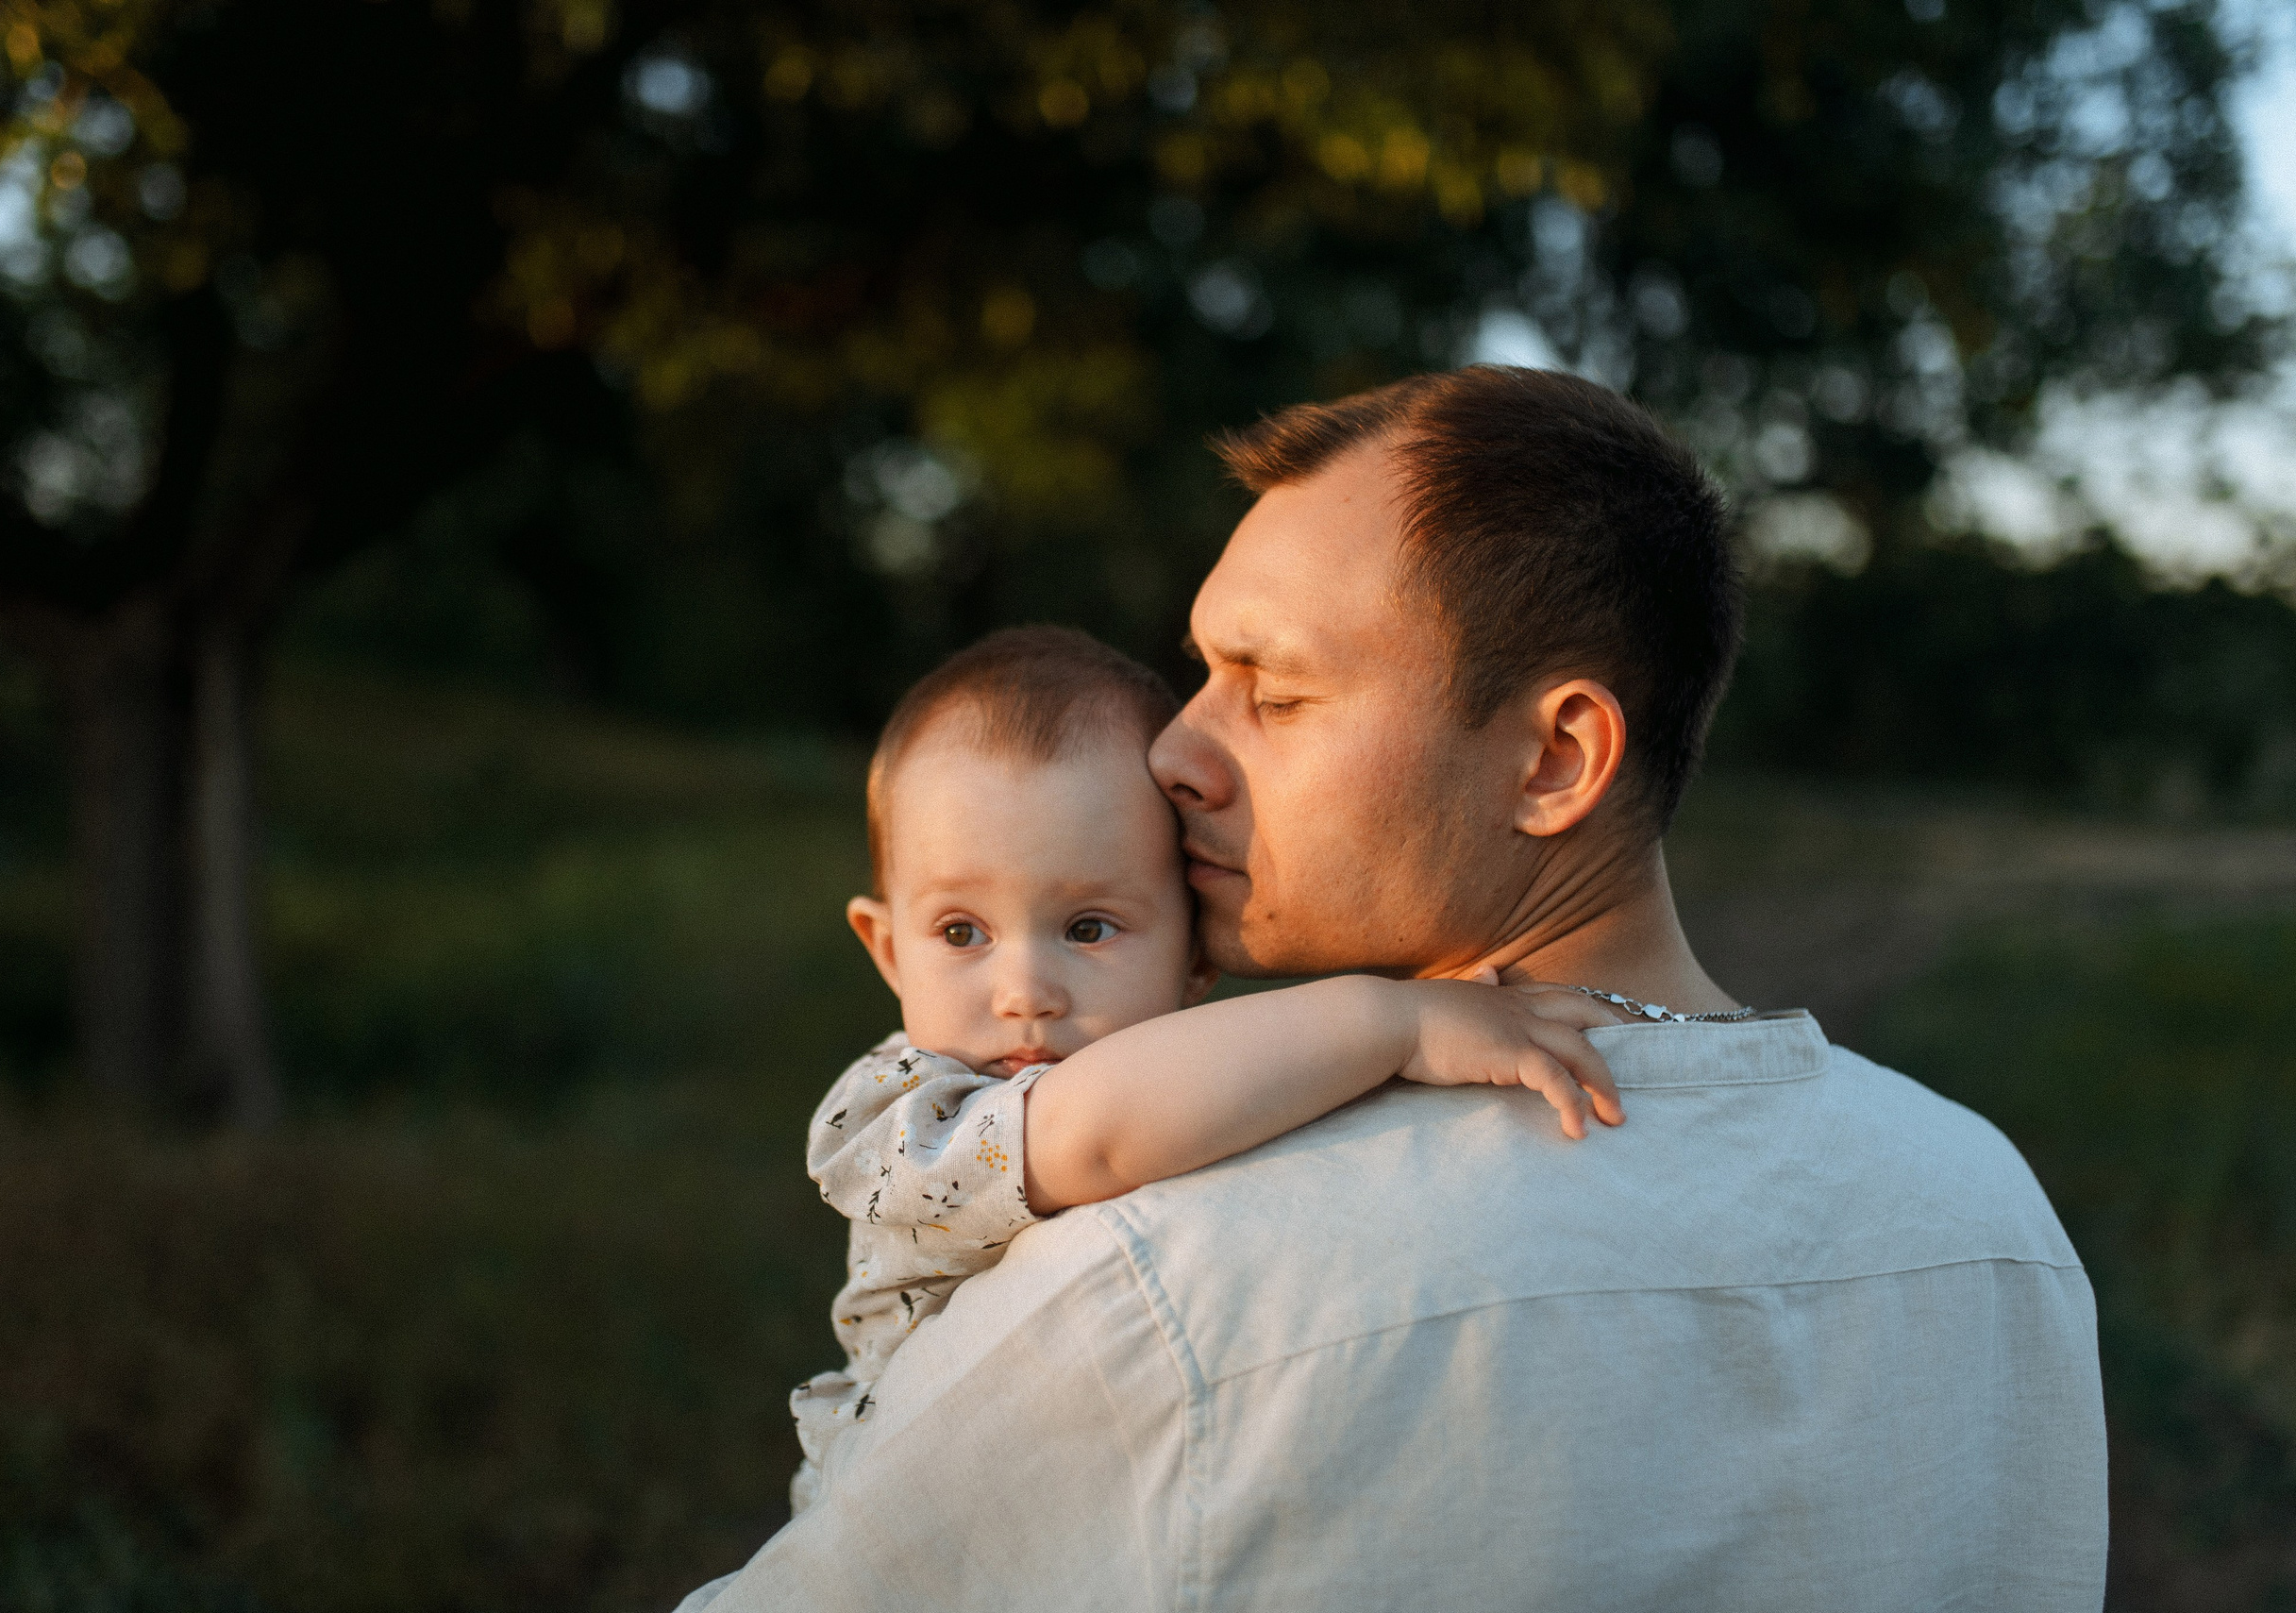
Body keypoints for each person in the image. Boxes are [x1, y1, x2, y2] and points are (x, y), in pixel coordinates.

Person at [678, 366, 2107, 1611]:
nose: (1174, 750)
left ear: (1554, 758)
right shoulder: (1996, 1221)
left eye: (1271, 689)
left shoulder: (1155, 1279)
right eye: (1199, 672)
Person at [787, 625, 1624, 1513]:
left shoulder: (1206, 1083)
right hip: (901, 1520)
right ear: (888, 949)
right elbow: (1092, 1130)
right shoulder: (898, 1120)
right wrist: (1396, 1022)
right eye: (962, 932)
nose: (1025, 991)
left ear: (1194, 956)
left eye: (1087, 928)